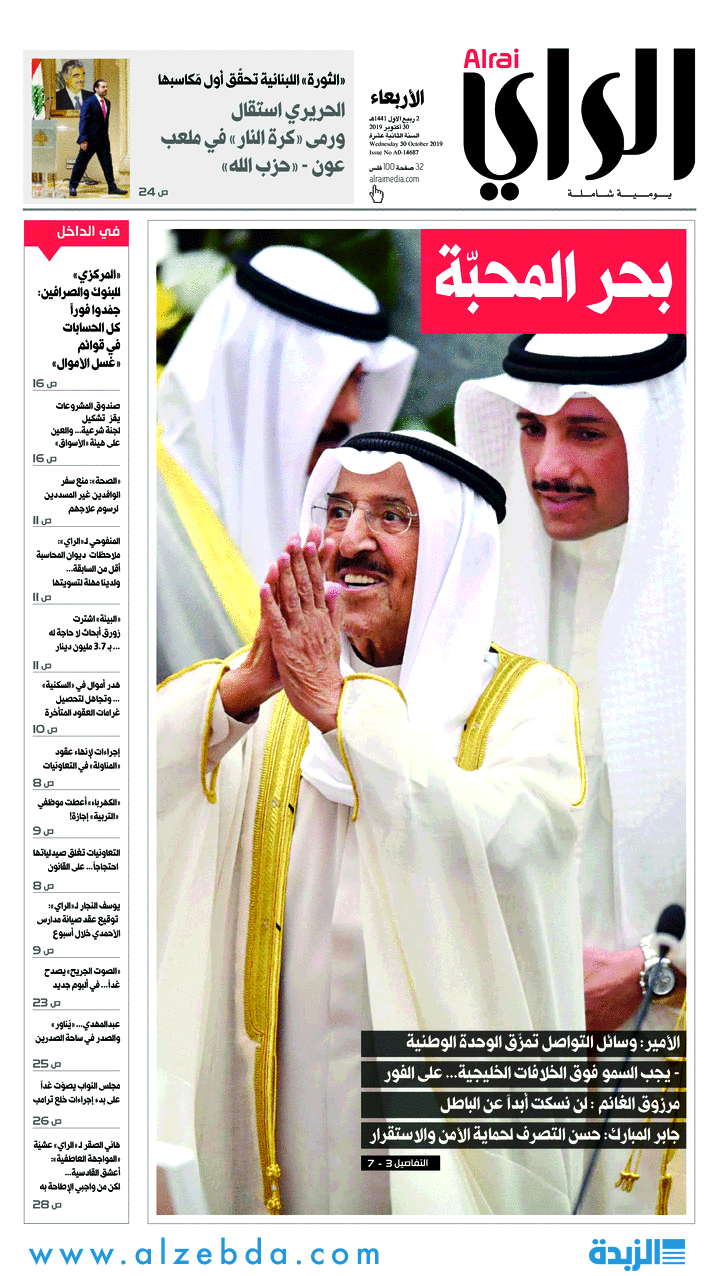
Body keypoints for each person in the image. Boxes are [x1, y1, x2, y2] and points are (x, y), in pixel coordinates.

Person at [158, 429, 587, 1216]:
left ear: (453, 551)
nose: (352, 540)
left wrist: (343, 714)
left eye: (392, 516)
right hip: (283, 1107)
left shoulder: (526, 702)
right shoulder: (275, 703)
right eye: (338, 510)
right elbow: (121, 797)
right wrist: (238, 693)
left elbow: (510, 851)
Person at [455, 333, 687, 1212]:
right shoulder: (475, 603)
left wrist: (659, 972)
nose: (547, 466)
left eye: (587, 432)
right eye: (529, 428)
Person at [156, 245, 417, 681]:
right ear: (260, 373)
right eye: (333, 382)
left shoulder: (341, 520)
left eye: (358, 381)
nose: (352, 411)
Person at [68, 80, 126, 196]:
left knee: (107, 164)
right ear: (96, 88)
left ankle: (112, 187)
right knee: (81, 164)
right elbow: (83, 121)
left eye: (106, 87)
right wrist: (83, 139)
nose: (105, 89)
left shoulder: (107, 103)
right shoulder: (88, 102)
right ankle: (73, 186)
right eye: (103, 87)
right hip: (89, 140)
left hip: (103, 140)